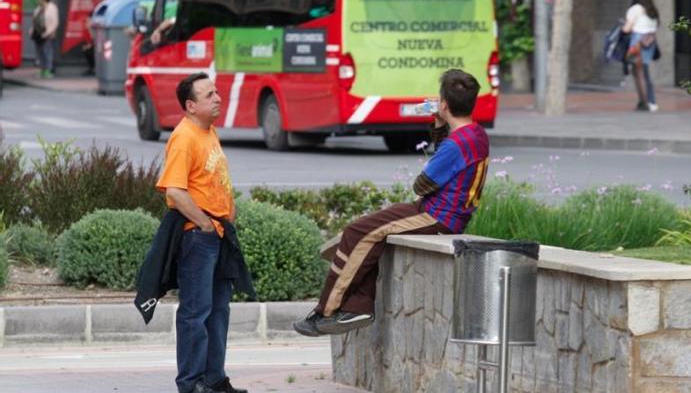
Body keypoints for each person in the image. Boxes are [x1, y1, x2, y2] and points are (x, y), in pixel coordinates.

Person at [294, 69, 490, 336]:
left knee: (359, 232)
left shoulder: (456, 145)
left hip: (437, 216)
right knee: (368, 229)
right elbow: (446, 158)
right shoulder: (476, 134)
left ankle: (327, 312)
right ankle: (357, 307)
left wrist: (438, 140)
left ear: (444, 103)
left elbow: (422, 185)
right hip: (443, 212)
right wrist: (439, 123)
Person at [155, 72, 248, 393]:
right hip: (199, 236)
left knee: (219, 310)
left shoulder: (209, 132)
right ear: (191, 105)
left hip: (219, 234)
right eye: (209, 95)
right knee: (196, 312)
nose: (218, 98)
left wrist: (227, 214)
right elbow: (175, 192)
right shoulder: (184, 138)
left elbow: (215, 178)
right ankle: (191, 383)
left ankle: (214, 379)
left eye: (217, 92)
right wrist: (206, 223)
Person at [623, 0, 660, 112]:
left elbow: (627, 29)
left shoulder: (636, 9)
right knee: (643, 71)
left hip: (637, 42)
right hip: (650, 42)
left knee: (639, 74)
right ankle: (644, 101)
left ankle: (648, 102)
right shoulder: (652, 10)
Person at [31, 0, 59, 79]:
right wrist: (32, 31)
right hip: (37, 35)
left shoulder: (52, 8)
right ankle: (42, 70)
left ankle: (48, 71)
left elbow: (54, 22)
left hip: (48, 34)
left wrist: (48, 33)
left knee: (48, 53)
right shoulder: (38, 9)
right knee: (40, 53)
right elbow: (34, 21)